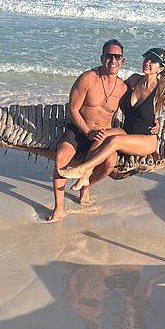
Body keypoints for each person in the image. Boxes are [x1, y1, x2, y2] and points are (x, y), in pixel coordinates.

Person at [59, 47, 165, 190]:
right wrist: (97, 73)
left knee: (114, 140)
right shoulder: (134, 80)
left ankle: (83, 169)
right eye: (146, 59)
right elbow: (114, 87)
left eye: (152, 61)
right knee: (101, 136)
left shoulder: (162, 90)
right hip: (126, 132)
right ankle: (85, 178)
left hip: (146, 140)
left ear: (160, 69)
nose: (147, 62)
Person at [47, 39, 128, 222]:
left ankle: (85, 185)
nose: (113, 60)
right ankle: (59, 208)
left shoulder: (123, 88)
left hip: (102, 135)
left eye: (117, 57)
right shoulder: (88, 78)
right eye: (109, 55)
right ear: (102, 58)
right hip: (78, 130)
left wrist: (155, 125)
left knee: (110, 163)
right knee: (61, 157)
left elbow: (139, 108)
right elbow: (73, 109)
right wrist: (86, 131)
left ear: (122, 61)